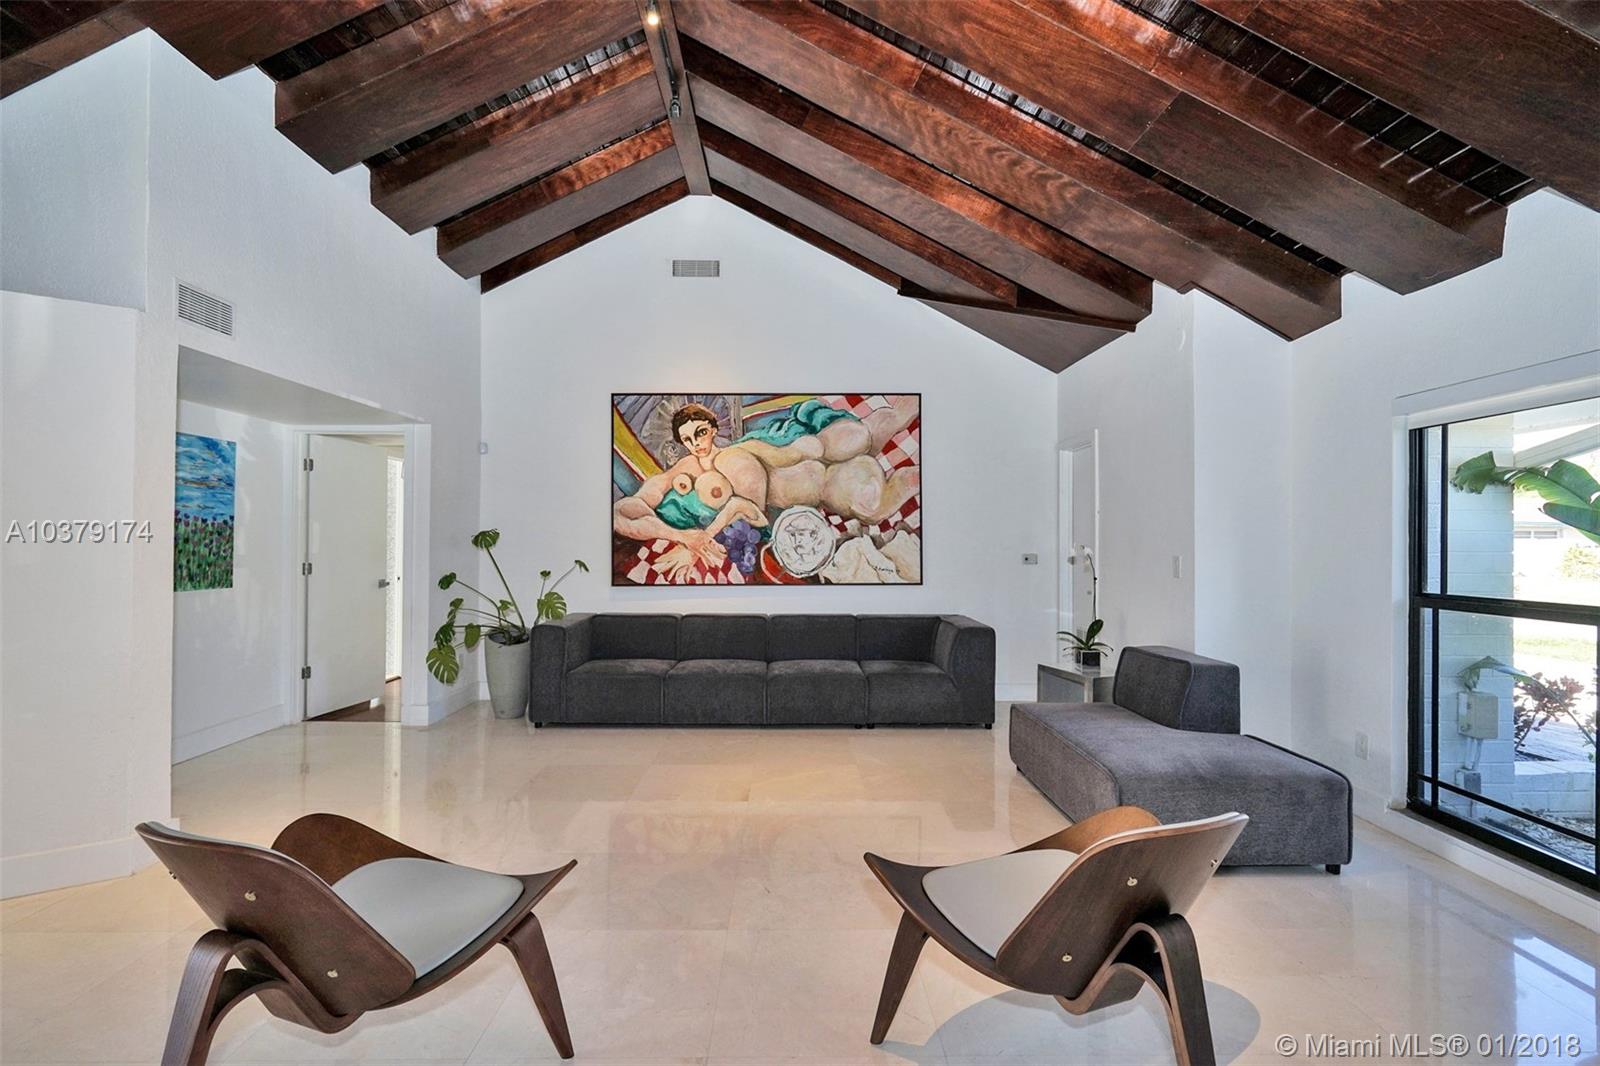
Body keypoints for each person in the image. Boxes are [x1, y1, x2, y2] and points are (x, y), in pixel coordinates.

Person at [612, 396, 920, 575]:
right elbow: (621, 513)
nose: (696, 443)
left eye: (701, 432)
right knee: (870, 505)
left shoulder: (735, 452)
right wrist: (683, 537)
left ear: (713, 428)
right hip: (821, 487)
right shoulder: (683, 472)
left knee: (860, 436)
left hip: (814, 453)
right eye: (688, 439)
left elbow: (780, 456)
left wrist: (799, 450)